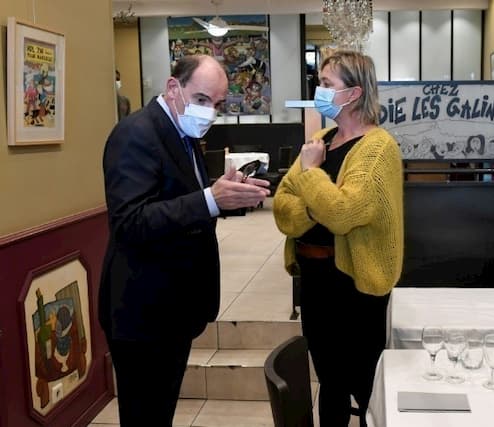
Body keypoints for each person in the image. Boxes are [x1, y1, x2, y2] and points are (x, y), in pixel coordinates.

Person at [99, 55, 270, 427]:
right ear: (173, 88)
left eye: (218, 105)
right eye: (203, 100)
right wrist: (210, 199)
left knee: (161, 411)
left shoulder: (183, 133)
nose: (210, 113)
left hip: (173, 308)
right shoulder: (136, 134)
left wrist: (224, 196)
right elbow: (130, 221)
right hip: (143, 311)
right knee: (145, 415)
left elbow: (179, 203)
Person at [273, 50, 404, 426]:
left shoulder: (378, 148)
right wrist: (319, 204)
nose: (319, 91)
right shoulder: (321, 138)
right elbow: (283, 206)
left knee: (364, 386)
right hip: (314, 282)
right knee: (329, 383)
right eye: (320, 83)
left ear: (354, 93)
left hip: (354, 286)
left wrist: (311, 176)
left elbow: (344, 214)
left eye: (327, 84)